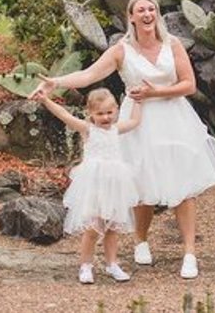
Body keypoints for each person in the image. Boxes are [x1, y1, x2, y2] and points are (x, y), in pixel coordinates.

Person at [32, 0, 215, 279]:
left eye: (152, 9)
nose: (147, 15)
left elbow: (188, 84)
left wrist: (156, 92)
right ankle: (140, 241)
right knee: (139, 185)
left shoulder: (172, 45)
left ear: (157, 15)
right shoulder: (121, 50)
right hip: (137, 121)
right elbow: (88, 75)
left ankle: (189, 253)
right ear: (131, 17)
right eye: (141, 10)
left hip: (173, 118)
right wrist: (55, 82)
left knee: (182, 188)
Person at [36, 87, 143, 284]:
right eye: (100, 113)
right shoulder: (88, 129)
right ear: (91, 114)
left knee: (113, 227)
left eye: (109, 112)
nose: (105, 117)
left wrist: (138, 100)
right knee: (93, 228)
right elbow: (64, 115)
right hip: (95, 185)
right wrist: (45, 100)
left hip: (114, 184)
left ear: (116, 110)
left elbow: (135, 121)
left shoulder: (116, 129)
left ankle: (112, 264)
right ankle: (86, 265)